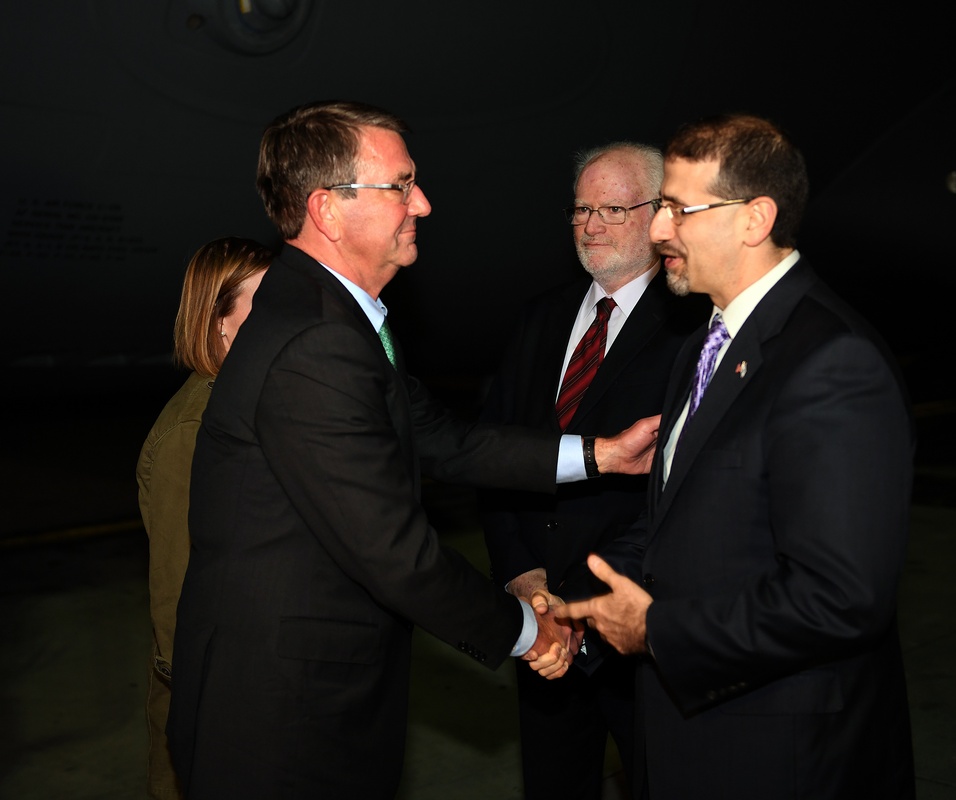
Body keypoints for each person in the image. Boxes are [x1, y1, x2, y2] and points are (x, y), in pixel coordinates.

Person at [166, 100, 660, 800]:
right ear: (329, 210)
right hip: (282, 716)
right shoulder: (318, 342)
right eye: (400, 185)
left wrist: (600, 454)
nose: (422, 204)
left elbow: (445, 440)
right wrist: (533, 632)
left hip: (306, 695)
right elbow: (396, 554)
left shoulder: (331, 315)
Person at [561, 114, 916, 799]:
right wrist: (577, 602)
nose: (659, 229)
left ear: (754, 219)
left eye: (677, 208)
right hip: (695, 732)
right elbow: (682, 517)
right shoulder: (708, 340)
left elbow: (841, 598)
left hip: (779, 755)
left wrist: (657, 629)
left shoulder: (833, 362)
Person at [478, 142, 702, 799]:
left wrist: (593, 608)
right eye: (581, 209)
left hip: (636, 627)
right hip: (540, 623)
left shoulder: (692, 327)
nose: (591, 226)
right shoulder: (542, 317)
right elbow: (494, 453)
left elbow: (687, 493)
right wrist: (521, 573)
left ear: (660, 215)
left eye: (612, 208)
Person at [136, 236, 271, 800]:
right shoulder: (194, 434)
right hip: (213, 707)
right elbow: (176, 601)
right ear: (218, 323)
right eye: (264, 308)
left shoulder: (243, 406)